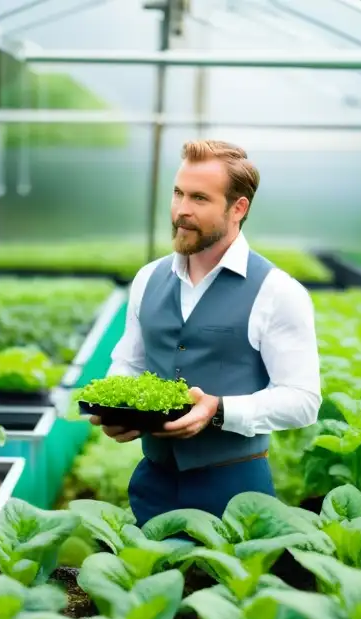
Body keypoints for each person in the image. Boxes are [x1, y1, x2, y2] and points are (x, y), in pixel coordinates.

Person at [91, 139, 322, 521]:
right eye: (178, 193)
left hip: (235, 497)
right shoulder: (148, 278)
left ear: (238, 208)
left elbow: (303, 400)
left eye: (199, 198)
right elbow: (128, 363)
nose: (181, 210)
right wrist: (121, 409)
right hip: (153, 486)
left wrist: (220, 410)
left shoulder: (277, 291)